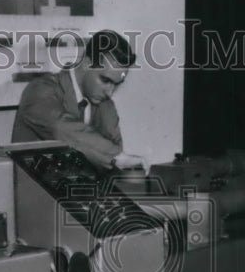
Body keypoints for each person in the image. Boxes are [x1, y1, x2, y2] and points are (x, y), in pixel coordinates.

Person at [12, 29, 146, 171]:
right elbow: (60, 128)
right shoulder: (39, 91)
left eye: (116, 84)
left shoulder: (104, 103)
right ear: (87, 63)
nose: (110, 92)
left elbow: (114, 155)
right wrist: (116, 156)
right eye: (105, 80)